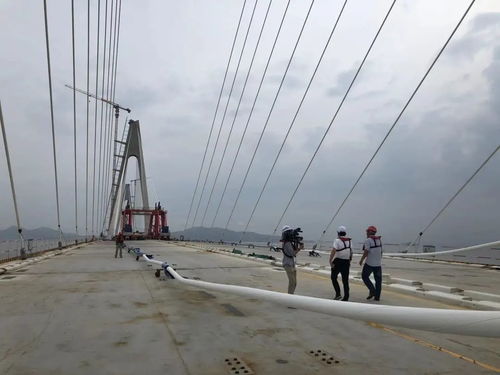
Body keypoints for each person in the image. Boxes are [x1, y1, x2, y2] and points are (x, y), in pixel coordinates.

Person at [359, 225, 383, 301]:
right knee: (378, 281)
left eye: (367, 231)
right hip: (378, 265)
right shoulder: (379, 240)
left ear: (369, 232)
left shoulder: (368, 240)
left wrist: (361, 260)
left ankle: (372, 290)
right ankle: (377, 297)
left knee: (364, 276)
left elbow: (366, 251)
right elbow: (381, 251)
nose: (366, 233)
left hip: (369, 264)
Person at [329, 225, 352, 301]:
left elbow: (333, 251)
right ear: (345, 233)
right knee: (345, 280)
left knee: (333, 277)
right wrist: (349, 261)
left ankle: (338, 294)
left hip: (338, 261)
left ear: (338, 233)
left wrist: (330, 260)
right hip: (346, 262)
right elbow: (351, 252)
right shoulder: (349, 241)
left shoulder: (337, 240)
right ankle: (346, 296)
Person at [281, 225, 302, 294]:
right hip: (288, 264)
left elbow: (293, 252)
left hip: (292, 264)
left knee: (294, 283)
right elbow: (293, 253)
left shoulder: (288, 243)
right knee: (292, 282)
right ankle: (289, 297)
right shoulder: (287, 243)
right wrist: (299, 248)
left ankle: (291, 295)